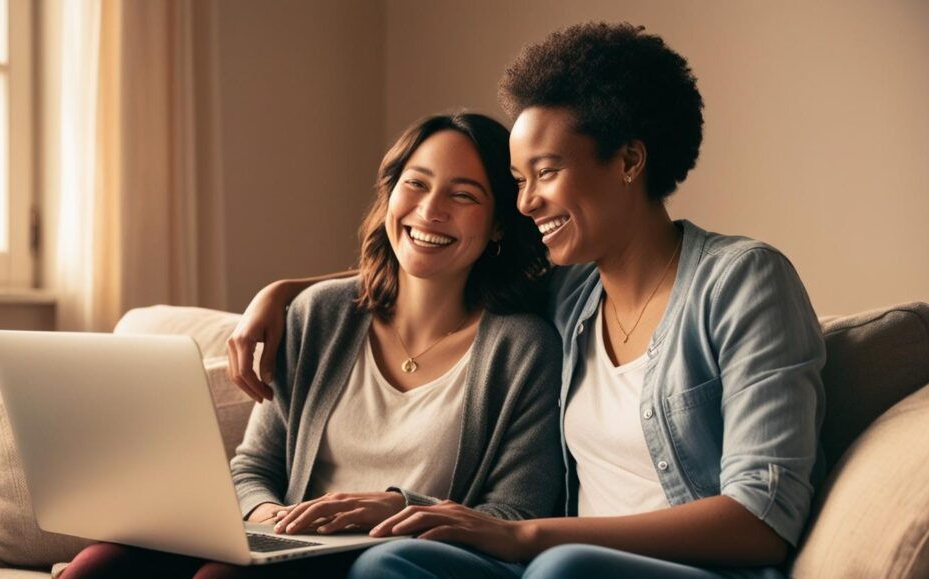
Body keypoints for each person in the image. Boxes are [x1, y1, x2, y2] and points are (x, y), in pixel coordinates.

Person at [229, 23, 826, 579]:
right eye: (518, 181)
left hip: (667, 568)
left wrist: (529, 538)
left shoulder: (743, 282)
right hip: (547, 563)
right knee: (392, 564)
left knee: (562, 571)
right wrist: (282, 294)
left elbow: (762, 520)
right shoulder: (572, 293)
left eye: (545, 173)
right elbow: (437, 262)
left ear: (629, 161)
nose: (525, 204)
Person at [61, 112, 564, 579]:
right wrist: (267, 515)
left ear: (499, 222)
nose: (430, 210)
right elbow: (254, 466)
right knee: (98, 566)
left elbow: (518, 513)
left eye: (464, 196)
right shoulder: (318, 314)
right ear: (390, 195)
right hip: (291, 541)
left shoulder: (524, 349)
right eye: (415, 184)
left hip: (383, 559)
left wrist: (402, 506)